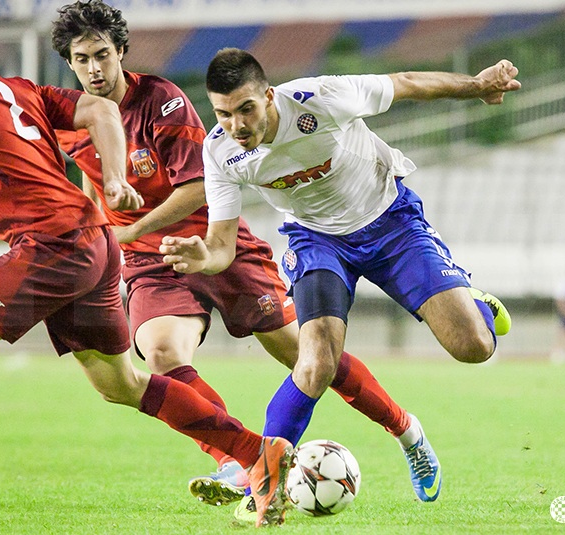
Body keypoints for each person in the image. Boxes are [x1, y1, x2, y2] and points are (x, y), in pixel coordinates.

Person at [49, 0, 439, 519]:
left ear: (121, 52)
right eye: (82, 59)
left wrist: (132, 228)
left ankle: (404, 430)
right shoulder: (71, 123)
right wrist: (102, 232)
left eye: (102, 54)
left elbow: (194, 188)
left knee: (308, 357)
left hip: (216, 247)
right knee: (162, 355)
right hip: (150, 262)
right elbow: (94, 188)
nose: (94, 68)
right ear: (70, 63)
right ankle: (237, 459)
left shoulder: (161, 101)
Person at [0, 19, 293, 529]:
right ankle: (257, 453)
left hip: (51, 245)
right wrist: (116, 178)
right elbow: (100, 111)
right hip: (96, 239)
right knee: (120, 383)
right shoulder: (12, 87)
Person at [159, 48, 518, 506]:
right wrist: (202, 257)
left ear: (269, 97)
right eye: (224, 113)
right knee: (314, 364)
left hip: (391, 223)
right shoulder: (221, 152)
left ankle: (475, 306)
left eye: (246, 109)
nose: (237, 125)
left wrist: (477, 86)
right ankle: (266, 490)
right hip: (317, 241)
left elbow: (404, 81)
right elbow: (222, 246)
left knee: (473, 348)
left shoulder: (321, 98)